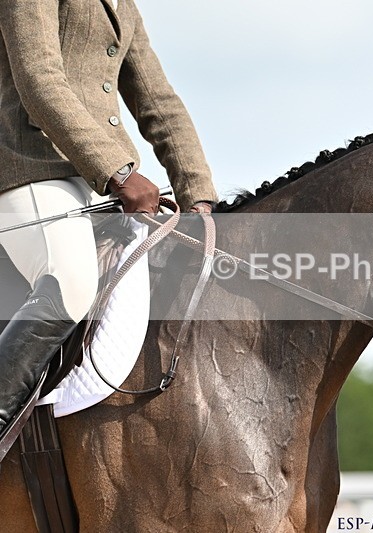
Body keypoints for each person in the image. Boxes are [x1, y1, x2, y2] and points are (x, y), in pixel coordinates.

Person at [0, 0, 218, 454]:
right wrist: (118, 172)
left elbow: (157, 99)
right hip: (31, 168)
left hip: (101, 184)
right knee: (73, 282)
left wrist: (198, 195)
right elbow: (38, 77)